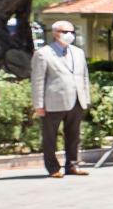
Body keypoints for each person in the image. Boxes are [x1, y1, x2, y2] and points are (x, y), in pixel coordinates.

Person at [31, 19, 92, 178]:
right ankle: (53, 168)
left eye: (72, 32)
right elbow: (38, 81)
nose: (69, 35)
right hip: (53, 102)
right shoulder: (43, 53)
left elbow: (84, 76)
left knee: (74, 136)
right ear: (55, 33)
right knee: (50, 137)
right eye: (65, 32)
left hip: (77, 100)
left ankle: (72, 165)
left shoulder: (78, 52)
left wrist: (86, 97)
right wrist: (38, 104)